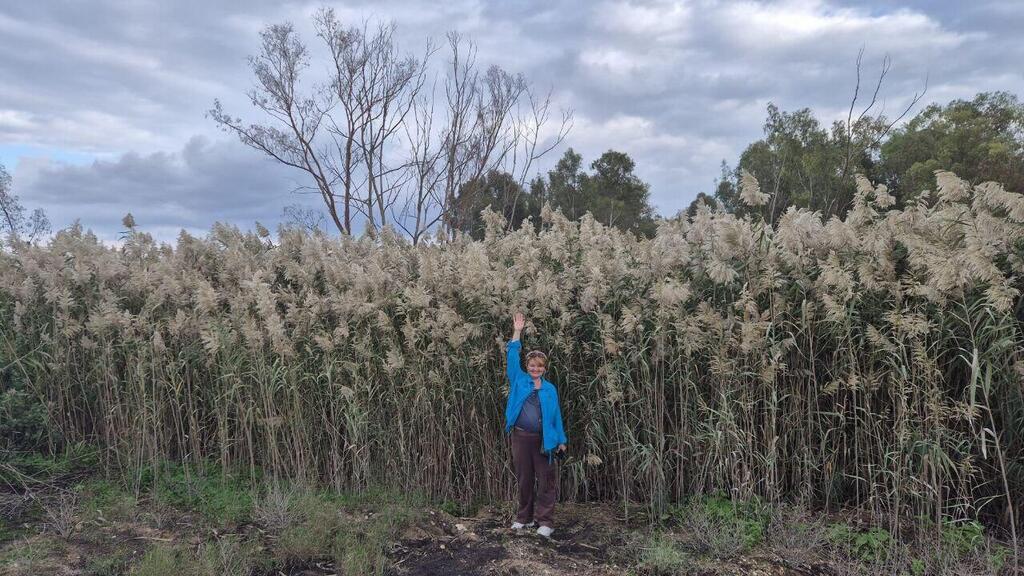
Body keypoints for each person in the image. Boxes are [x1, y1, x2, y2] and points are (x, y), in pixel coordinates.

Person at [504, 312, 567, 538]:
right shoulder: (519, 380)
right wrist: (517, 331)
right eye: (532, 365)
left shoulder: (550, 389)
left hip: (545, 440)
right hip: (521, 438)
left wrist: (561, 440)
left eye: (539, 366)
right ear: (527, 366)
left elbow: (556, 416)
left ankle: (545, 522)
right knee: (524, 479)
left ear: (544, 368)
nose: (535, 369)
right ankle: (524, 518)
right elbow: (512, 356)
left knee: (546, 481)